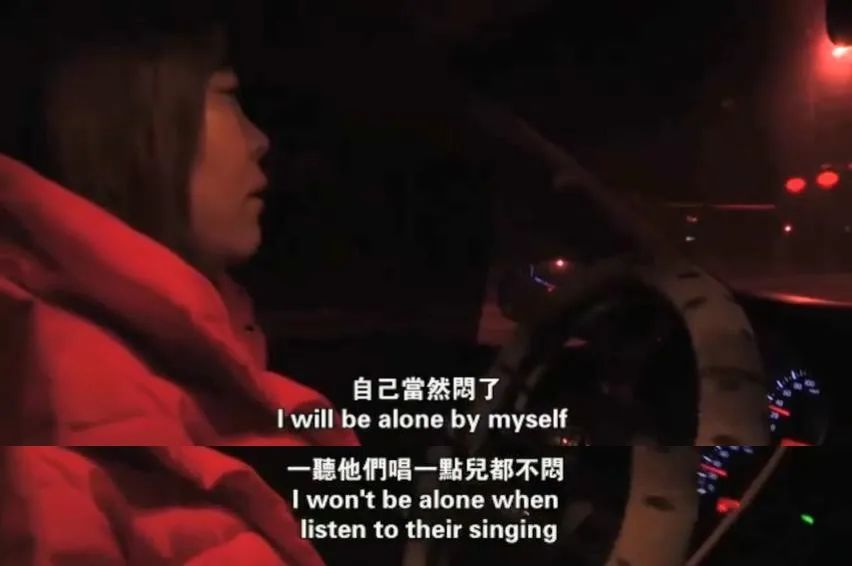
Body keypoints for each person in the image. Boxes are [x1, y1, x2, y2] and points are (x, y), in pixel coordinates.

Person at [0, 4, 355, 564]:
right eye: (228, 96)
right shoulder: (49, 423)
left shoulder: (175, 375)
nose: (259, 140)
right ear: (135, 123)